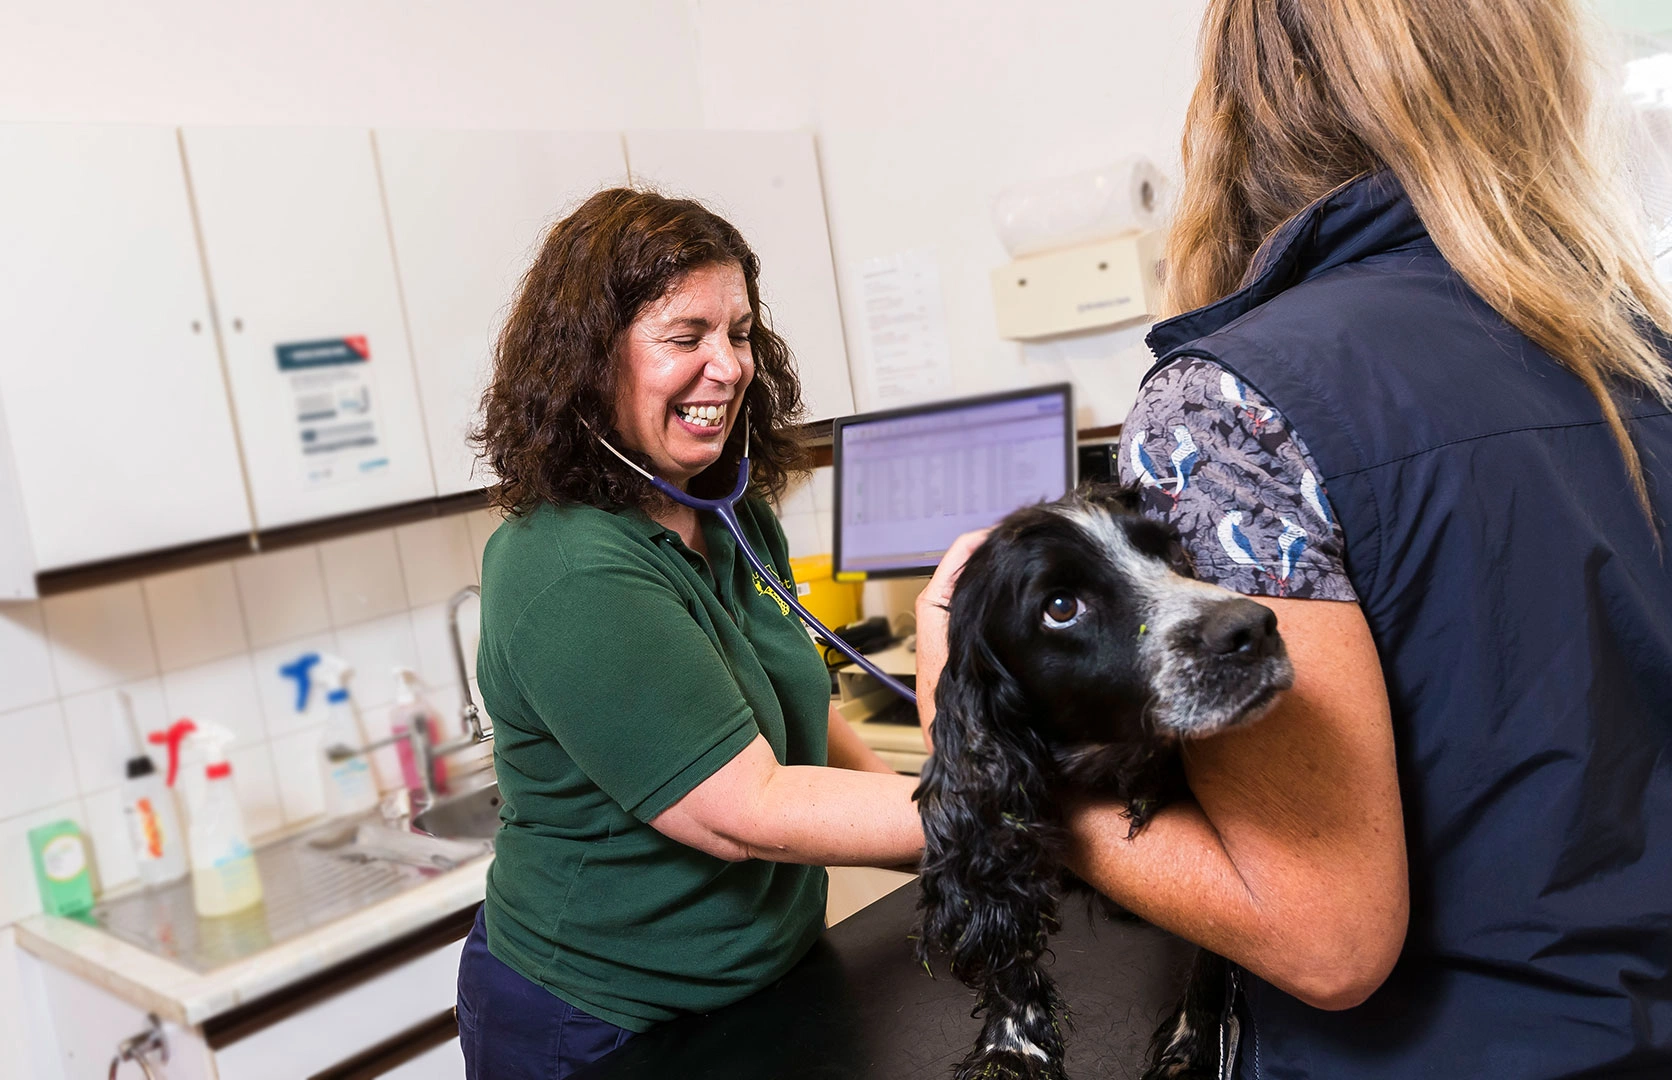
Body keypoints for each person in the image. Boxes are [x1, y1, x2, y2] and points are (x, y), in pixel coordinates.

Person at [918, 1, 1672, 1077]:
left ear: (1240, 107)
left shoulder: (1231, 403)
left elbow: (1328, 944)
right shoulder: (1636, 356)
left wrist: (1012, 792)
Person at [457, 188, 925, 1079]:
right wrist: (988, 822)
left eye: (740, 333)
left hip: (767, 981)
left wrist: (943, 832)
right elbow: (746, 812)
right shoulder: (568, 566)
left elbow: (803, 720)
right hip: (598, 1023)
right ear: (590, 360)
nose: (729, 366)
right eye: (686, 337)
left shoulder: (731, 510)